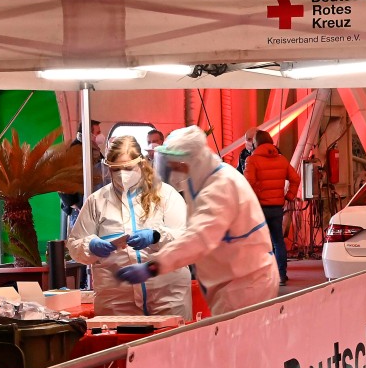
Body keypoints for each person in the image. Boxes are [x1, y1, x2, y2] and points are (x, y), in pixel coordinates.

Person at [66, 134, 192, 368]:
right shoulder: (97, 201)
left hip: (166, 291)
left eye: (127, 168)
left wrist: (156, 236)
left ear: (141, 164)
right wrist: (93, 245)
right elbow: (75, 242)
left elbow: (186, 237)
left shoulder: (165, 196)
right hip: (116, 293)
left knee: (170, 365)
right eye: (114, 169)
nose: (121, 175)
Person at [116, 126, 278, 314]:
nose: (174, 171)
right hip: (234, 278)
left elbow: (199, 238)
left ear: (191, 161)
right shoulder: (204, 179)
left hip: (245, 284)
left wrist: (154, 266)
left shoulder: (220, 187)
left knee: (238, 340)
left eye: (177, 166)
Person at [244, 129, 300, 286]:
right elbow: (295, 179)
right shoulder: (281, 159)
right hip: (277, 207)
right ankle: (281, 275)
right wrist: (289, 196)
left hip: (260, 208)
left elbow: (249, 184)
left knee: (260, 243)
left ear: (256, 143)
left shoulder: (252, 160)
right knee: (278, 241)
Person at [58, 120, 104, 230]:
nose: (101, 136)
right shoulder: (74, 151)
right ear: (89, 134)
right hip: (80, 208)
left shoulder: (93, 149)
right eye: (98, 133)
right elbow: (62, 182)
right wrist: (76, 205)